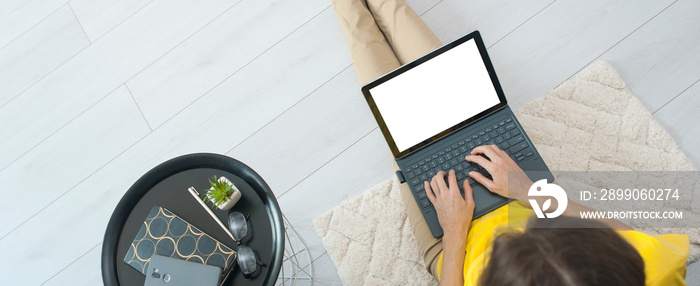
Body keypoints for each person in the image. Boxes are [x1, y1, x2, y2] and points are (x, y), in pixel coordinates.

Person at [331, 0, 690, 285]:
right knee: (444, 74)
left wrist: (455, 235)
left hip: (453, 242)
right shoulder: (656, 272)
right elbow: (622, 234)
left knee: (400, 109)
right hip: (514, 192)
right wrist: (529, 191)